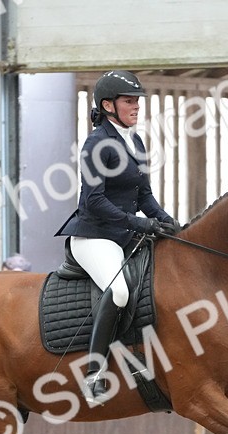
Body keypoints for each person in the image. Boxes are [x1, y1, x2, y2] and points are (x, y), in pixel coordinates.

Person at [55, 69, 179, 404]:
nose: (136, 106)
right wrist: (139, 224)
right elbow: (94, 201)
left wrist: (169, 222)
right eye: (129, 101)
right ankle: (93, 374)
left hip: (124, 235)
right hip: (94, 236)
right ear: (108, 105)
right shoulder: (96, 144)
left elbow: (144, 198)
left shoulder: (135, 141)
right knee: (120, 290)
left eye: (137, 100)